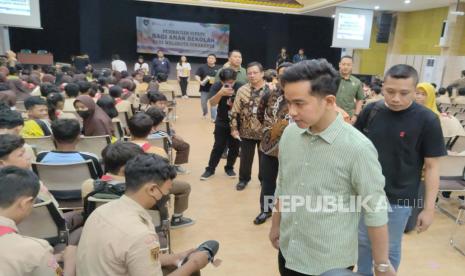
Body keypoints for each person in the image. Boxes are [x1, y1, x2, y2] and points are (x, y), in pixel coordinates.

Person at [270, 59, 393, 276]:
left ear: (328, 100)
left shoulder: (358, 148)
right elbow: (283, 183)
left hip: (329, 263)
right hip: (289, 251)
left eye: (299, 103)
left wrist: (381, 264)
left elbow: (375, 208)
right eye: (288, 103)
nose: (291, 112)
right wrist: (276, 224)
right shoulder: (290, 134)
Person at [354, 64, 446, 275]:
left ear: (415, 91)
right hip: (366, 192)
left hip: (400, 196)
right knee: (363, 241)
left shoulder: (427, 120)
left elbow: (432, 166)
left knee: (389, 246)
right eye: (390, 91)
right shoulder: (371, 111)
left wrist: (429, 209)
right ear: (382, 86)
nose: (396, 98)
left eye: (404, 93)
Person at [77, 153, 209, 275]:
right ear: (152, 189)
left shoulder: (100, 211)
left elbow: (132, 257)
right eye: (167, 190)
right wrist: (194, 263)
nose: (167, 196)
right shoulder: (141, 235)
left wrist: (175, 257)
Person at [0, 166, 66, 276]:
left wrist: (47, 259)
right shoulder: (36, 249)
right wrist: (70, 262)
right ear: (25, 203)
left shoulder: (35, 252)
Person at [254, 62, 291, 225]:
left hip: (293, 148)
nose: (284, 77)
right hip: (269, 147)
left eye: (288, 73)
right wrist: (271, 131)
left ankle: (288, 212)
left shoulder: (300, 96)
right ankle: (266, 210)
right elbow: (260, 114)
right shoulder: (269, 94)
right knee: (268, 180)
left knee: (291, 181)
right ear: (276, 75)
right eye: (281, 73)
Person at [230, 62, 269, 191]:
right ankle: (243, 179)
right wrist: (234, 129)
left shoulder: (271, 89)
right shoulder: (242, 90)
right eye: (249, 73)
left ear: (262, 73)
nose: (252, 75)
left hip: (265, 132)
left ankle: (264, 180)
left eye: (255, 73)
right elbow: (235, 111)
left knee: (265, 160)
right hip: (246, 131)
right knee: (245, 158)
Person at [35, 119, 103, 178]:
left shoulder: (41, 156)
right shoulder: (90, 158)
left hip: (50, 192)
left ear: (52, 137)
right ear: (79, 137)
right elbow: (100, 179)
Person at [147, 93, 191, 174]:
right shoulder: (153, 114)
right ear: (152, 103)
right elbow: (168, 128)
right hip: (162, 138)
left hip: (155, 138)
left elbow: (170, 128)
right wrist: (173, 135)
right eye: (160, 103)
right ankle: (177, 167)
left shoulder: (145, 112)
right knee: (184, 146)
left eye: (164, 103)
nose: (163, 105)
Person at [335, 56, 364, 123]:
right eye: (343, 64)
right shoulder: (331, 78)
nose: (346, 67)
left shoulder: (357, 82)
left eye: (348, 65)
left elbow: (360, 99)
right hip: (331, 115)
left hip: (348, 117)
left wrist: (355, 115)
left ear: (352, 66)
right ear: (339, 65)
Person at [195, 54, 221, 120]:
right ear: (207, 59)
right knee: (203, 103)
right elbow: (196, 75)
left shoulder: (218, 68)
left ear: (215, 60)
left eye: (212, 58)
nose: (210, 59)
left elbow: (221, 78)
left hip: (214, 89)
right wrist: (200, 81)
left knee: (213, 104)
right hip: (204, 89)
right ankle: (205, 113)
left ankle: (213, 117)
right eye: (209, 58)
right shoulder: (202, 67)